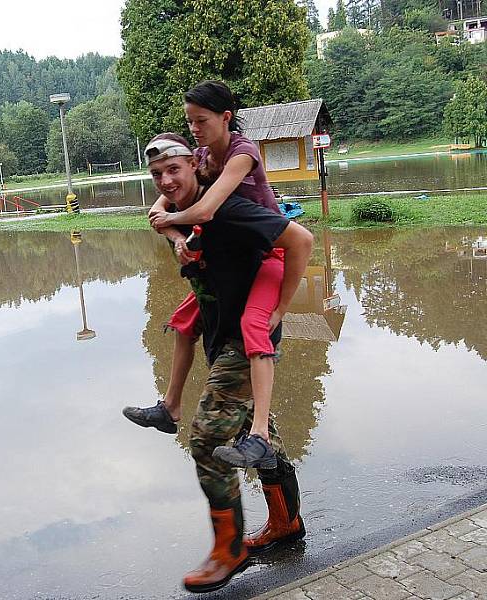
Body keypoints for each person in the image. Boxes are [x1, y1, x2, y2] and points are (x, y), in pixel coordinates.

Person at [134, 133, 313, 592]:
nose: (167, 180)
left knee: (207, 439)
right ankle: (285, 521)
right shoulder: (178, 218)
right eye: (157, 175)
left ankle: (228, 548)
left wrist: (280, 310)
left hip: (245, 340)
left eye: (174, 169)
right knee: (258, 430)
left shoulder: (228, 209)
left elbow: (299, 240)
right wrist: (175, 233)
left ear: (196, 166)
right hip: (220, 334)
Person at [124, 81, 296, 470]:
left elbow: (206, 211)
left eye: (201, 120)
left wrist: (282, 306)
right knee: (185, 321)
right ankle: (170, 407)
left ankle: (261, 440)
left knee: (255, 328)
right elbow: (159, 208)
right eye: (189, 121)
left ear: (225, 117)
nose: (195, 128)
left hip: (266, 252)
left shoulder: (241, 153)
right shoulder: (200, 156)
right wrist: (171, 231)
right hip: (228, 262)